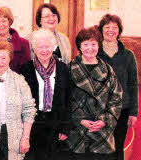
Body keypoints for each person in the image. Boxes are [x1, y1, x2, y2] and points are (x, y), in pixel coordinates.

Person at [67, 27, 123, 160]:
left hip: (102, 132)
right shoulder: (69, 69)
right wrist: (80, 119)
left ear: (99, 46)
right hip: (79, 131)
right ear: (79, 47)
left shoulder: (107, 70)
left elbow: (117, 97)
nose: (89, 48)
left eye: (93, 44)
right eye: (85, 44)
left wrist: (104, 120)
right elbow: (64, 99)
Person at [0, 40, 36, 160]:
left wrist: (25, 137)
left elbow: (29, 110)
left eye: (4, 58)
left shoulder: (19, 80)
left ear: (10, 58)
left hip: (14, 138)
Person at [19, 29, 71, 159]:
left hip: (55, 124)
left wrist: (65, 127)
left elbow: (68, 99)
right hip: (33, 124)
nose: (44, 50)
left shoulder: (63, 69)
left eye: (47, 47)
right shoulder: (26, 69)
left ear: (53, 47)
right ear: (34, 49)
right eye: (40, 47)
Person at [96, 14, 138, 160]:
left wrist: (133, 111)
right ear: (101, 30)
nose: (110, 30)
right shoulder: (94, 52)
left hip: (122, 109)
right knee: (98, 147)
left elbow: (133, 84)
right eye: (107, 27)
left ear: (119, 31)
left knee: (117, 147)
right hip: (98, 109)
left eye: (114, 27)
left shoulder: (128, 55)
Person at [0, 7, 31, 73]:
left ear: (9, 22)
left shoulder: (23, 43)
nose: (0, 25)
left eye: (4, 21)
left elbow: (27, 71)